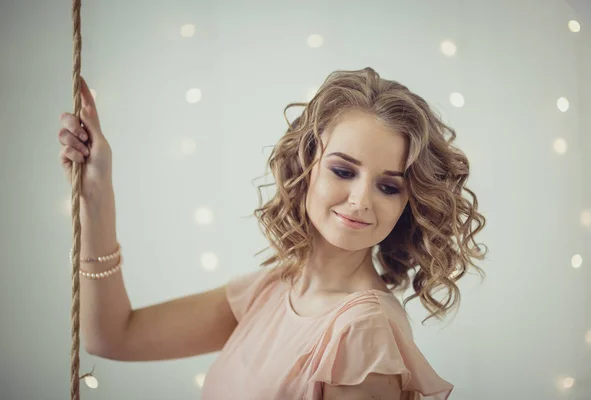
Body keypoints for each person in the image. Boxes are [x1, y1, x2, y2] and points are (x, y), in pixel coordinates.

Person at [58, 67, 487, 400]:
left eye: (388, 186)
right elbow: (114, 336)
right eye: (343, 170)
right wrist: (96, 192)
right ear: (306, 167)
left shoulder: (362, 331)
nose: (360, 200)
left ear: (406, 203)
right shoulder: (271, 289)